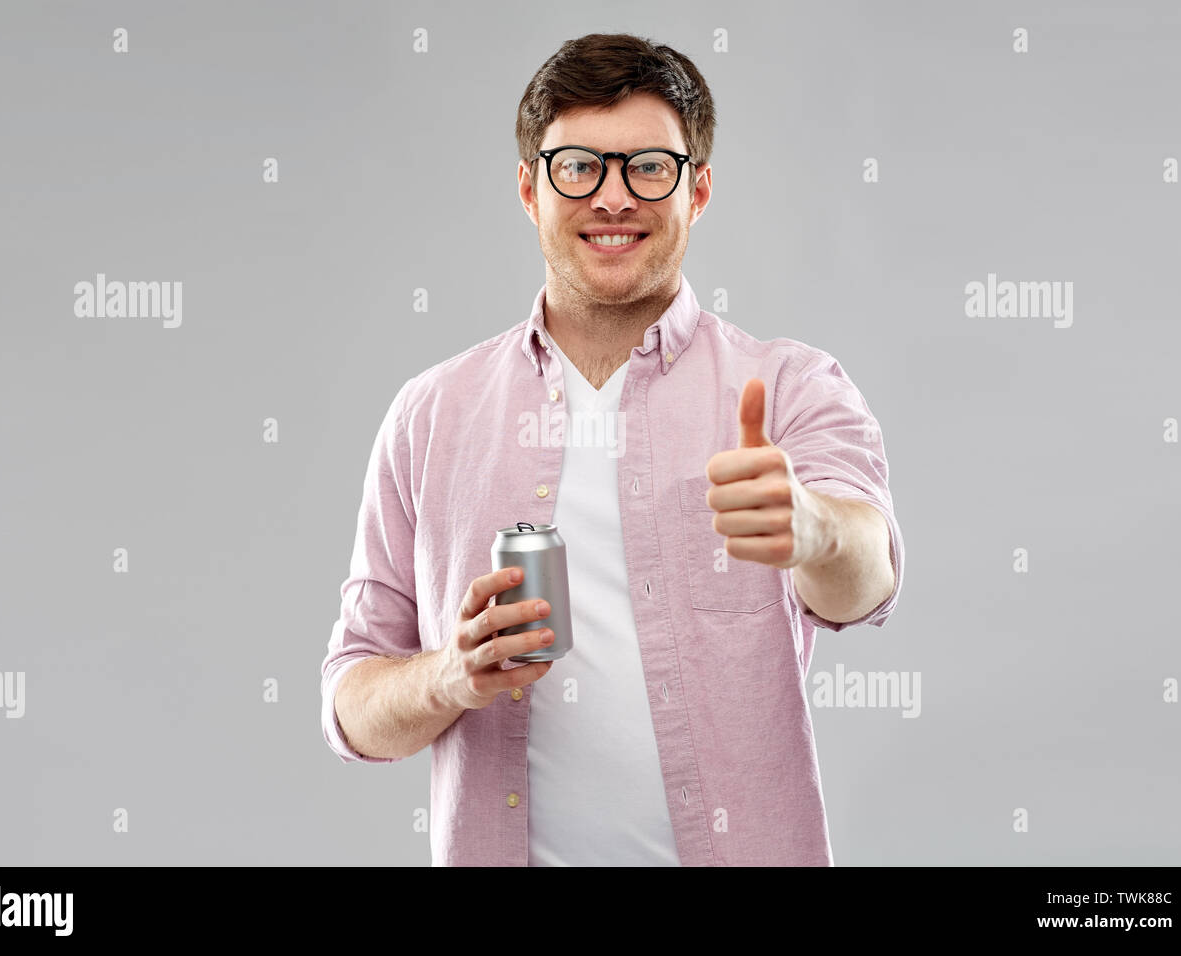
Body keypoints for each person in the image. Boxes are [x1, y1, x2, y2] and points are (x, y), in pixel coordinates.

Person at [320, 32, 904, 866]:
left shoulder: (790, 386)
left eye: (648, 168)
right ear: (529, 188)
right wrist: (450, 673)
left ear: (697, 190)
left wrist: (813, 530)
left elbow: (868, 577)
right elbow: (352, 706)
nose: (613, 198)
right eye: (578, 167)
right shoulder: (430, 414)